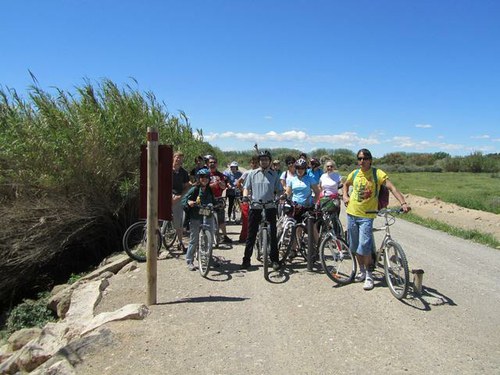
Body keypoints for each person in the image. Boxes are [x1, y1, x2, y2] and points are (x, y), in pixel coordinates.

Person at [342, 148, 411, 291]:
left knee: (364, 246)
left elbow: (391, 187)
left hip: (367, 215)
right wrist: (345, 196)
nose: (362, 161)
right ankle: (361, 270)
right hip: (351, 213)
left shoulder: (377, 173)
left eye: (365, 158)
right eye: (360, 158)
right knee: (354, 246)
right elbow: (345, 184)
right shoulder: (354, 173)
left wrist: (403, 203)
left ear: (370, 160)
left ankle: (369, 275)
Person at [241, 150, 282, 270]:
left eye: (266, 159)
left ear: (269, 161)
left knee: (273, 234)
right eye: (262, 159)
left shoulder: (274, 174)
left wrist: (281, 196)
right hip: (255, 207)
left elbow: (279, 190)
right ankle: (246, 260)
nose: (264, 161)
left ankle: (274, 260)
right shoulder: (252, 174)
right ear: (259, 161)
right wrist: (245, 197)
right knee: (251, 234)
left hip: (270, 207)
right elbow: (246, 188)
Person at [285, 158, 321, 255]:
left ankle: (319, 248)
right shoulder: (292, 180)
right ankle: (294, 249)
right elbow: (288, 192)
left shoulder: (310, 179)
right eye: (297, 168)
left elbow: (317, 192)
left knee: (312, 228)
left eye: (302, 168)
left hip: (307, 206)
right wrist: (284, 197)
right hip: (295, 206)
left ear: (305, 169)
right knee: (295, 228)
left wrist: (314, 202)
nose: (300, 170)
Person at [183, 168, 215, 271]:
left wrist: (218, 204)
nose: (204, 179)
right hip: (196, 217)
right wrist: (189, 202)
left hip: (208, 215)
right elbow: (184, 200)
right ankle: (189, 261)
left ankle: (209, 258)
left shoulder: (209, 189)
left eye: (206, 177)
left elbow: (213, 201)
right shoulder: (195, 189)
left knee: (208, 240)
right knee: (194, 240)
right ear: (198, 178)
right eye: (202, 177)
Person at [207, 156, 232, 243]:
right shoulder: (205, 174)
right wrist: (212, 185)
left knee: (221, 219)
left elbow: (224, 187)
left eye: (214, 162)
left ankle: (225, 236)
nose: (212, 164)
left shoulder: (220, 175)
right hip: (207, 200)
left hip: (218, 199)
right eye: (210, 162)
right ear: (208, 164)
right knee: (204, 217)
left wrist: (220, 183)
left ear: (216, 164)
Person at [236, 155, 259, 243]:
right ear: (250, 164)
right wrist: (243, 190)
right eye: (253, 163)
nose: (254, 164)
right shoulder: (247, 173)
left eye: (256, 163)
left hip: (257, 199)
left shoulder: (261, 173)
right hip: (247, 199)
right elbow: (238, 182)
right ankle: (243, 238)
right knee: (246, 220)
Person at [172, 151, 190, 253]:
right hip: (166, 196)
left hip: (178, 197)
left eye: (180, 158)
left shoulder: (183, 172)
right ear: (173, 158)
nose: (178, 160)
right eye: (177, 157)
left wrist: (180, 196)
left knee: (178, 222)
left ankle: (180, 242)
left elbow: (187, 186)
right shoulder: (166, 169)